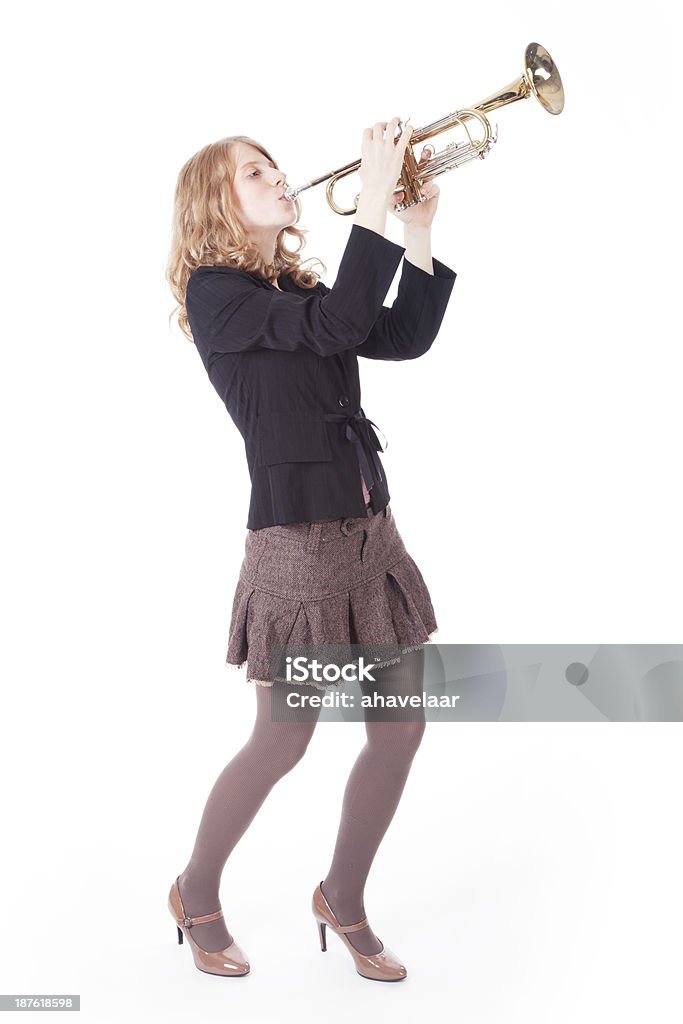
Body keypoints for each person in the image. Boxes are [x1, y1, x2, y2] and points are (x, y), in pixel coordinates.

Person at [165, 118, 457, 981]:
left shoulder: (290, 283)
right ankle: (196, 889)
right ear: (216, 204)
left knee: (400, 728)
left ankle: (344, 896)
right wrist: (368, 202)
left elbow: (399, 336)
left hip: (372, 534)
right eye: (256, 172)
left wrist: (414, 227)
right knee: (284, 741)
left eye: (274, 166)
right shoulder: (217, 295)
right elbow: (334, 327)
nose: (280, 177)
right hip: (297, 547)